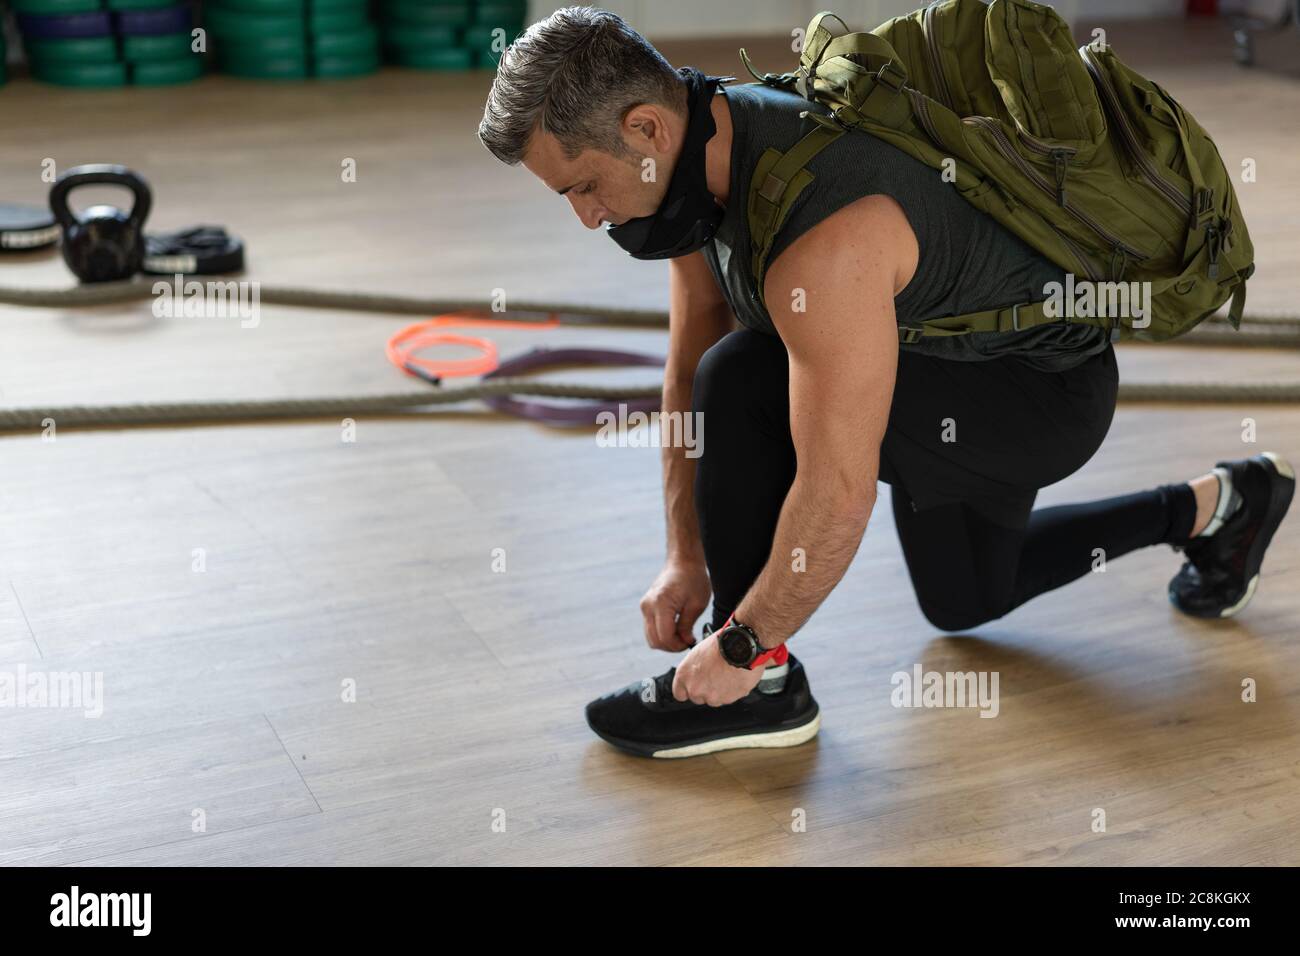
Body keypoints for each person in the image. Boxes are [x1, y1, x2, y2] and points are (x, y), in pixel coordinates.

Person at [477, 7, 1294, 758]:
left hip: (1037, 395)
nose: (586, 216)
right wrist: (682, 554)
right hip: (941, 356)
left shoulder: (825, 235)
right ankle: (1223, 504)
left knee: (746, 378)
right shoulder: (696, 163)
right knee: (966, 599)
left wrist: (742, 643)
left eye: (583, 187)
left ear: (645, 127)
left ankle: (758, 692)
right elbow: (689, 354)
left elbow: (836, 493)